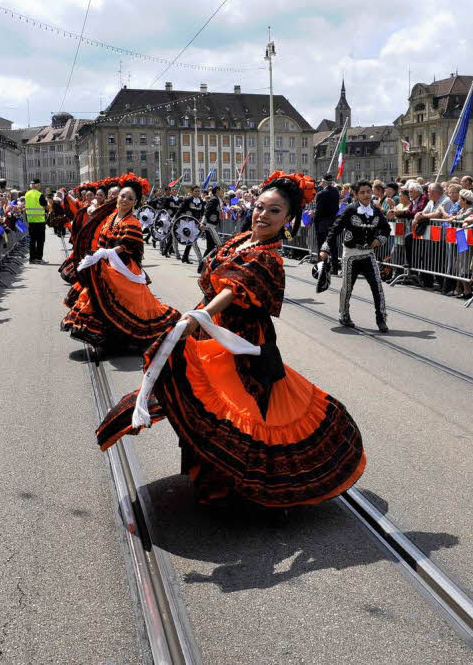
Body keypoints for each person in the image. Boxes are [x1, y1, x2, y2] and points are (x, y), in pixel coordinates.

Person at [95, 172, 366, 509]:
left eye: (275, 211)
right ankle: (210, 477)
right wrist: (200, 317)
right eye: (260, 207)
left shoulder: (268, 256)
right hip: (212, 326)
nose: (263, 215)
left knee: (231, 411)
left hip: (238, 339)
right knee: (196, 398)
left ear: (289, 219)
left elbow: (231, 288)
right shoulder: (241, 241)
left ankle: (230, 488)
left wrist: (200, 316)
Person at [62, 175, 180, 355]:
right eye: (123, 196)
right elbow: (101, 238)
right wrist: (97, 254)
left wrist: (107, 252)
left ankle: (115, 342)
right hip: (106, 266)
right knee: (97, 299)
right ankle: (107, 340)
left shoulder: (132, 223)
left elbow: (126, 247)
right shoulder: (111, 217)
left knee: (127, 307)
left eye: (130, 198)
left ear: (135, 203)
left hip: (123, 270)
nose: (124, 200)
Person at [319, 179, 391, 331]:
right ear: (356, 195)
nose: (366, 195)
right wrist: (325, 248)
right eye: (362, 192)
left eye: (368, 192)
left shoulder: (377, 211)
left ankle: (381, 318)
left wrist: (379, 240)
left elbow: (386, 229)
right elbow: (335, 230)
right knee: (347, 288)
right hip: (351, 255)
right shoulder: (350, 210)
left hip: (368, 254)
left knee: (377, 286)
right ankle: (344, 315)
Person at [313, 174, 341, 275]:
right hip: (332, 221)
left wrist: (314, 218)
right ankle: (334, 268)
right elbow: (337, 208)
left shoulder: (321, 194)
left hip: (322, 222)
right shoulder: (335, 192)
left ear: (324, 182)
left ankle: (321, 267)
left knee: (321, 245)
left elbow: (319, 210)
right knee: (333, 245)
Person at [23, 179, 48, 263]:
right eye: (39, 184)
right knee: (40, 240)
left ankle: (32, 258)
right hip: (39, 221)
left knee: (32, 240)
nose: (40, 186)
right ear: (37, 185)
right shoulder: (39, 194)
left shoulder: (27, 194)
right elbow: (45, 206)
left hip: (30, 221)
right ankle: (39, 258)